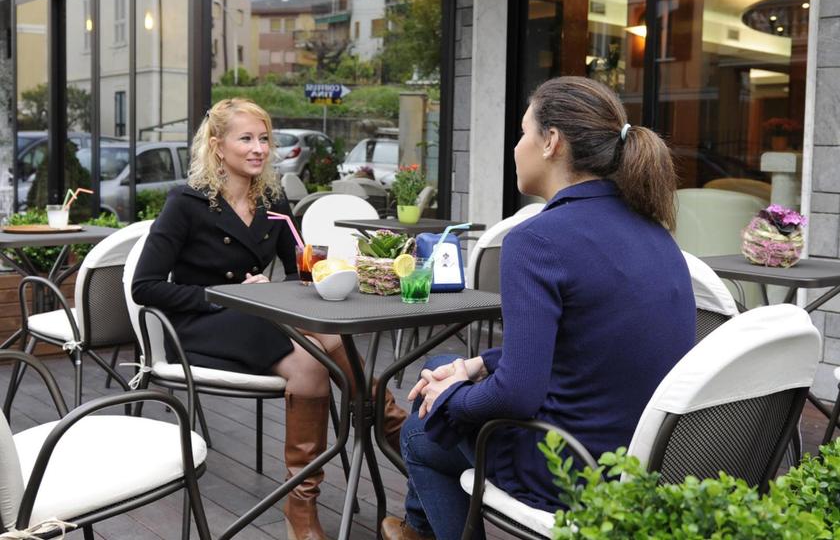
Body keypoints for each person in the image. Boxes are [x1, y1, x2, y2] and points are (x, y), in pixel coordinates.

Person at [380, 77, 695, 540]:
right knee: (442, 366)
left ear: (551, 142)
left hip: (573, 467)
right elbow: (582, 346)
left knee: (420, 429)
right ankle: (418, 529)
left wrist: (446, 400)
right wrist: (472, 367)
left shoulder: (537, 239)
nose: (516, 147)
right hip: (644, 457)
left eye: (523, 132)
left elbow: (517, 396)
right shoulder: (654, 230)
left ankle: (422, 530)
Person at [132, 98, 407, 540]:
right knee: (322, 348)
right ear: (218, 147)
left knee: (312, 357)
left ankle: (302, 504)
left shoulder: (273, 200)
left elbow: (300, 271)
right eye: (247, 138)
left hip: (262, 319)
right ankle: (399, 432)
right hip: (200, 324)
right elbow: (144, 286)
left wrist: (331, 270)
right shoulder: (186, 202)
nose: (259, 148)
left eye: (264, 138)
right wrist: (223, 295)